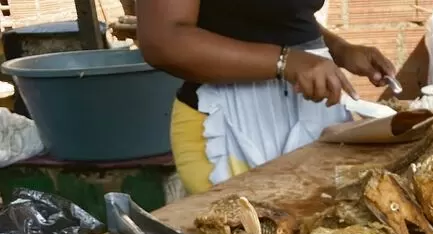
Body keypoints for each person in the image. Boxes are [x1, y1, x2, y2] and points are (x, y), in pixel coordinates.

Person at [137, 0, 397, 194]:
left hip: (311, 116)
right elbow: (163, 40)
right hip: (230, 126)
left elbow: (277, 10)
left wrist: (340, 50)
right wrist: (285, 61)